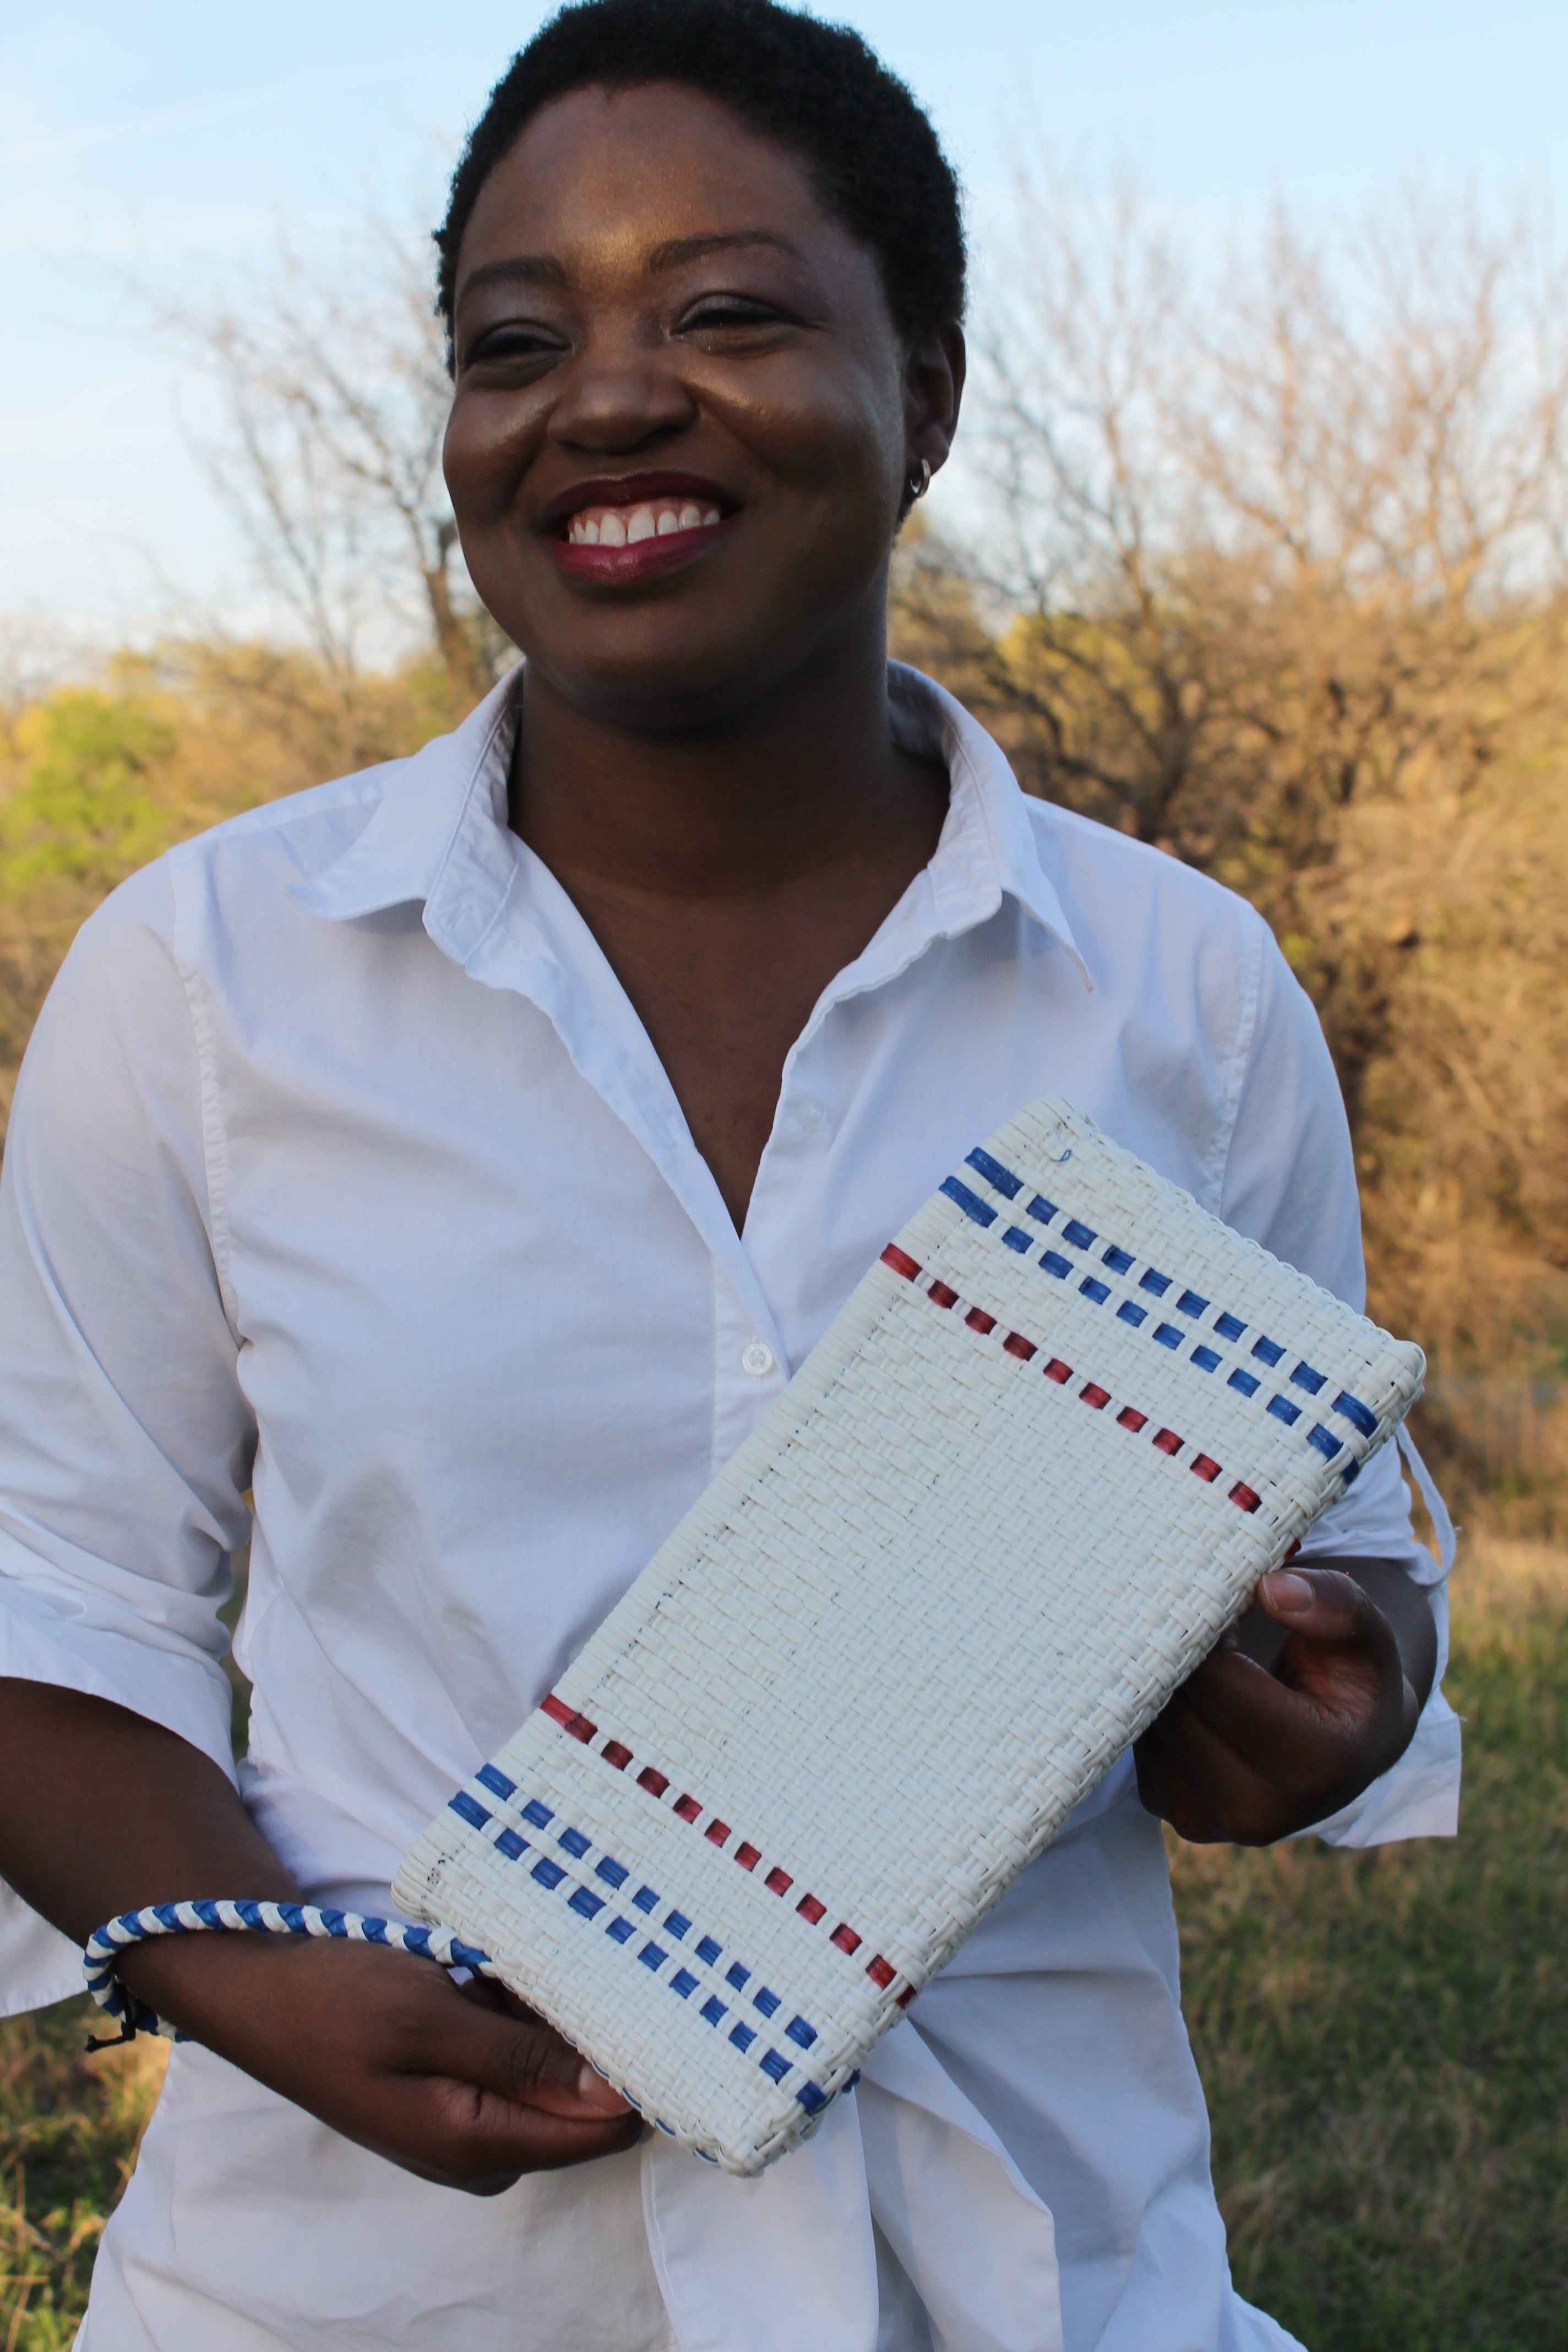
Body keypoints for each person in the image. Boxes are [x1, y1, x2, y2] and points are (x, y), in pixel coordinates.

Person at [0, 4, 1459, 2346]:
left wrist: (1331, 1695)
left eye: (729, 312)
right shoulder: (206, 981)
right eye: (514, 339)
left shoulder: (1171, 991)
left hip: (1035, 2277)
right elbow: (52, 1606)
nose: (603, 397)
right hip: (372, 2291)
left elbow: (1357, 1562)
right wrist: (240, 1966)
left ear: (933, 399)